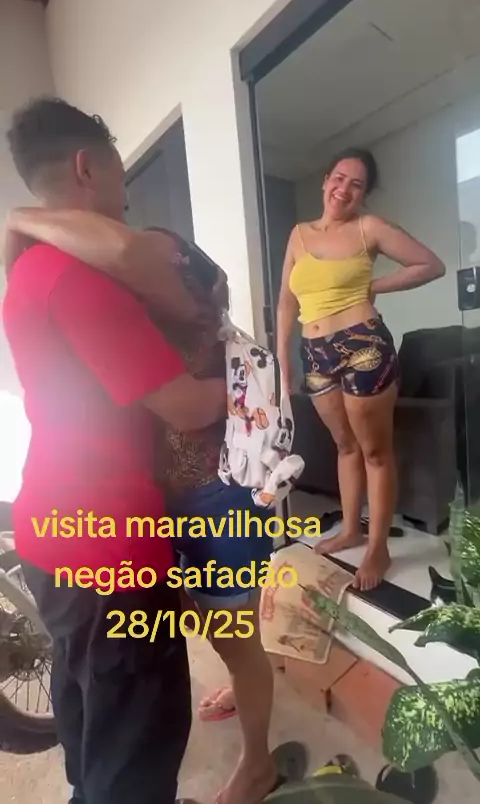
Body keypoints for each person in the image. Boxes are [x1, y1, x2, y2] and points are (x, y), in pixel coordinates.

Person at [2, 97, 228, 804]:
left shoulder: (25, 270)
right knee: (138, 736)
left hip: (46, 533)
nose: (125, 199)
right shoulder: (82, 281)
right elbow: (187, 408)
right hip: (109, 549)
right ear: (86, 167)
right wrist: (250, 381)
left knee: (86, 701)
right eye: (120, 176)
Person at [5, 222, 278, 804]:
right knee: (202, 629)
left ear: (189, 280)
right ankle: (241, 686)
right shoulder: (147, 325)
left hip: (218, 511)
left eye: (148, 262)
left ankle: (258, 763)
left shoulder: (216, 341)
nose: (127, 267)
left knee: (235, 639)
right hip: (162, 511)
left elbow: (199, 411)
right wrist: (19, 224)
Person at [277, 148, 445, 591]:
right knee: (344, 446)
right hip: (314, 352)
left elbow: (431, 265)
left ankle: (378, 547)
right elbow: (287, 301)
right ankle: (350, 529)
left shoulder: (369, 228)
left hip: (363, 346)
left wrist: (374, 285)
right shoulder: (298, 235)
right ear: (325, 181)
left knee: (375, 452)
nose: (344, 189)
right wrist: (282, 357)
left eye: (356, 184)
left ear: (364, 194)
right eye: (338, 178)